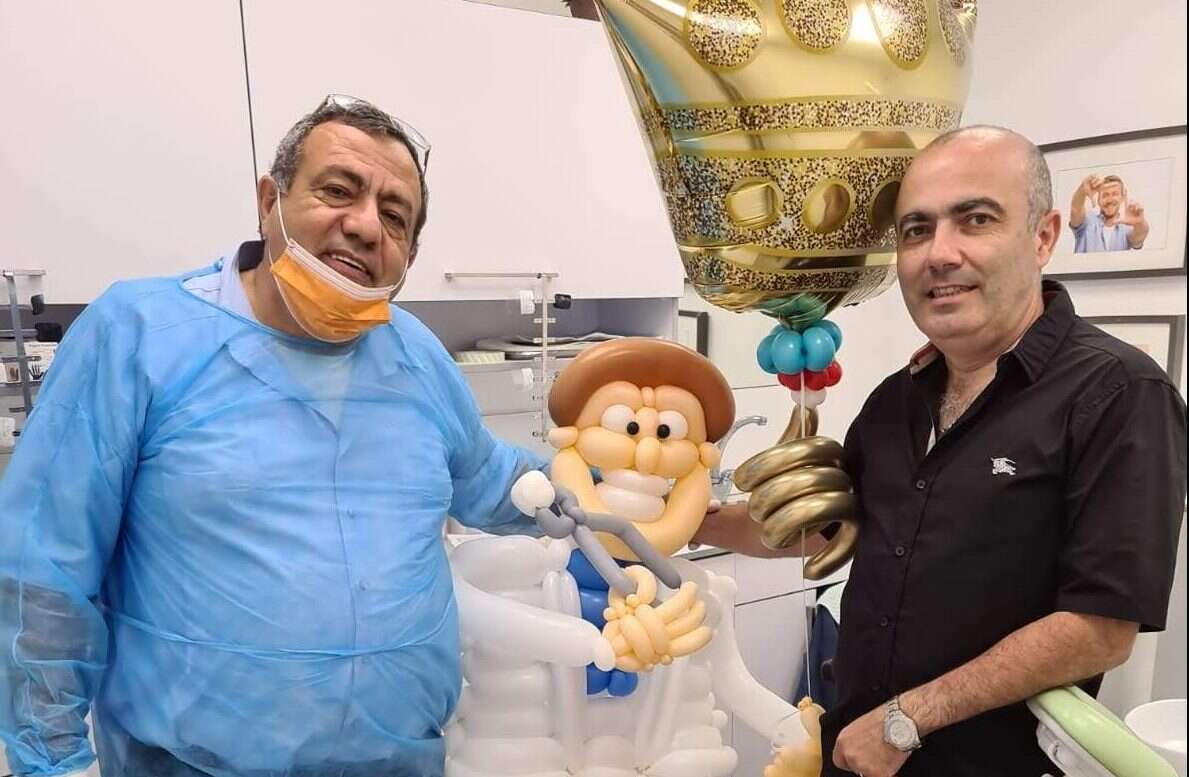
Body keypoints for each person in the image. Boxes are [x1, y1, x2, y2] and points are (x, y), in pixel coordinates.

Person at [0, 95, 547, 777]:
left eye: (394, 215)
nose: (365, 225)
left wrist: (606, 480)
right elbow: (41, 571)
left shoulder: (416, 356)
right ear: (269, 200)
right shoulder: (139, 335)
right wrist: (51, 762)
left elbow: (494, 480)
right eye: (338, 190)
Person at [696, 125, 1186, 776]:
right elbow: (824, 529)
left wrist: (905, 721)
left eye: (975, 219)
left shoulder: (1119, 392)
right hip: (854, 752)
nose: (939, 253)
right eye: (916, 230)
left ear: (1042, 236)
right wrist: (688, 516)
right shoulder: (895, 399)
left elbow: (1100, 628)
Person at [1070, 172, 1149, 252]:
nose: (1110, 200)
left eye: (1115, 194)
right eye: (1105, 195)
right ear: (1098, 200)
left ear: (1122, 198)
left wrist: (1140, 223)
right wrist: (1082, 190)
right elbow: (1075, 209)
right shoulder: (1087, 222)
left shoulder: (1126, 228)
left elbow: (1139, 238)